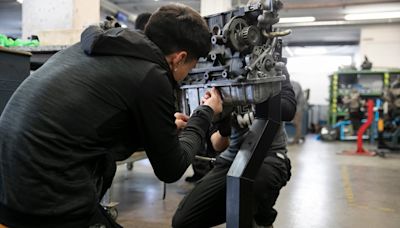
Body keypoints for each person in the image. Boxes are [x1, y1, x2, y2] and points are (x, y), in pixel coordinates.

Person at [0, 4, 222, 228]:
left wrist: (161, 129)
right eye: (190, 68)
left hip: (9, 189)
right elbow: (171, 169)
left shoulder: (98, 48)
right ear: (178, 58)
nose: (187, 76)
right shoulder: (151, 75)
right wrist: (203, 114)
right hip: (44, 201)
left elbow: (95, 122)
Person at [172, 66, 296, 228]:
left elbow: (288, 109)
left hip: (268, 156)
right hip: (230, 160)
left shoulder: (269, 64)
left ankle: (261, 218)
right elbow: (218, 144)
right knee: (183, 221)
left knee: (246, 207)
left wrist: (253, 92)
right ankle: (254, 214)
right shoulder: (215, 73)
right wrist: (224, 124)